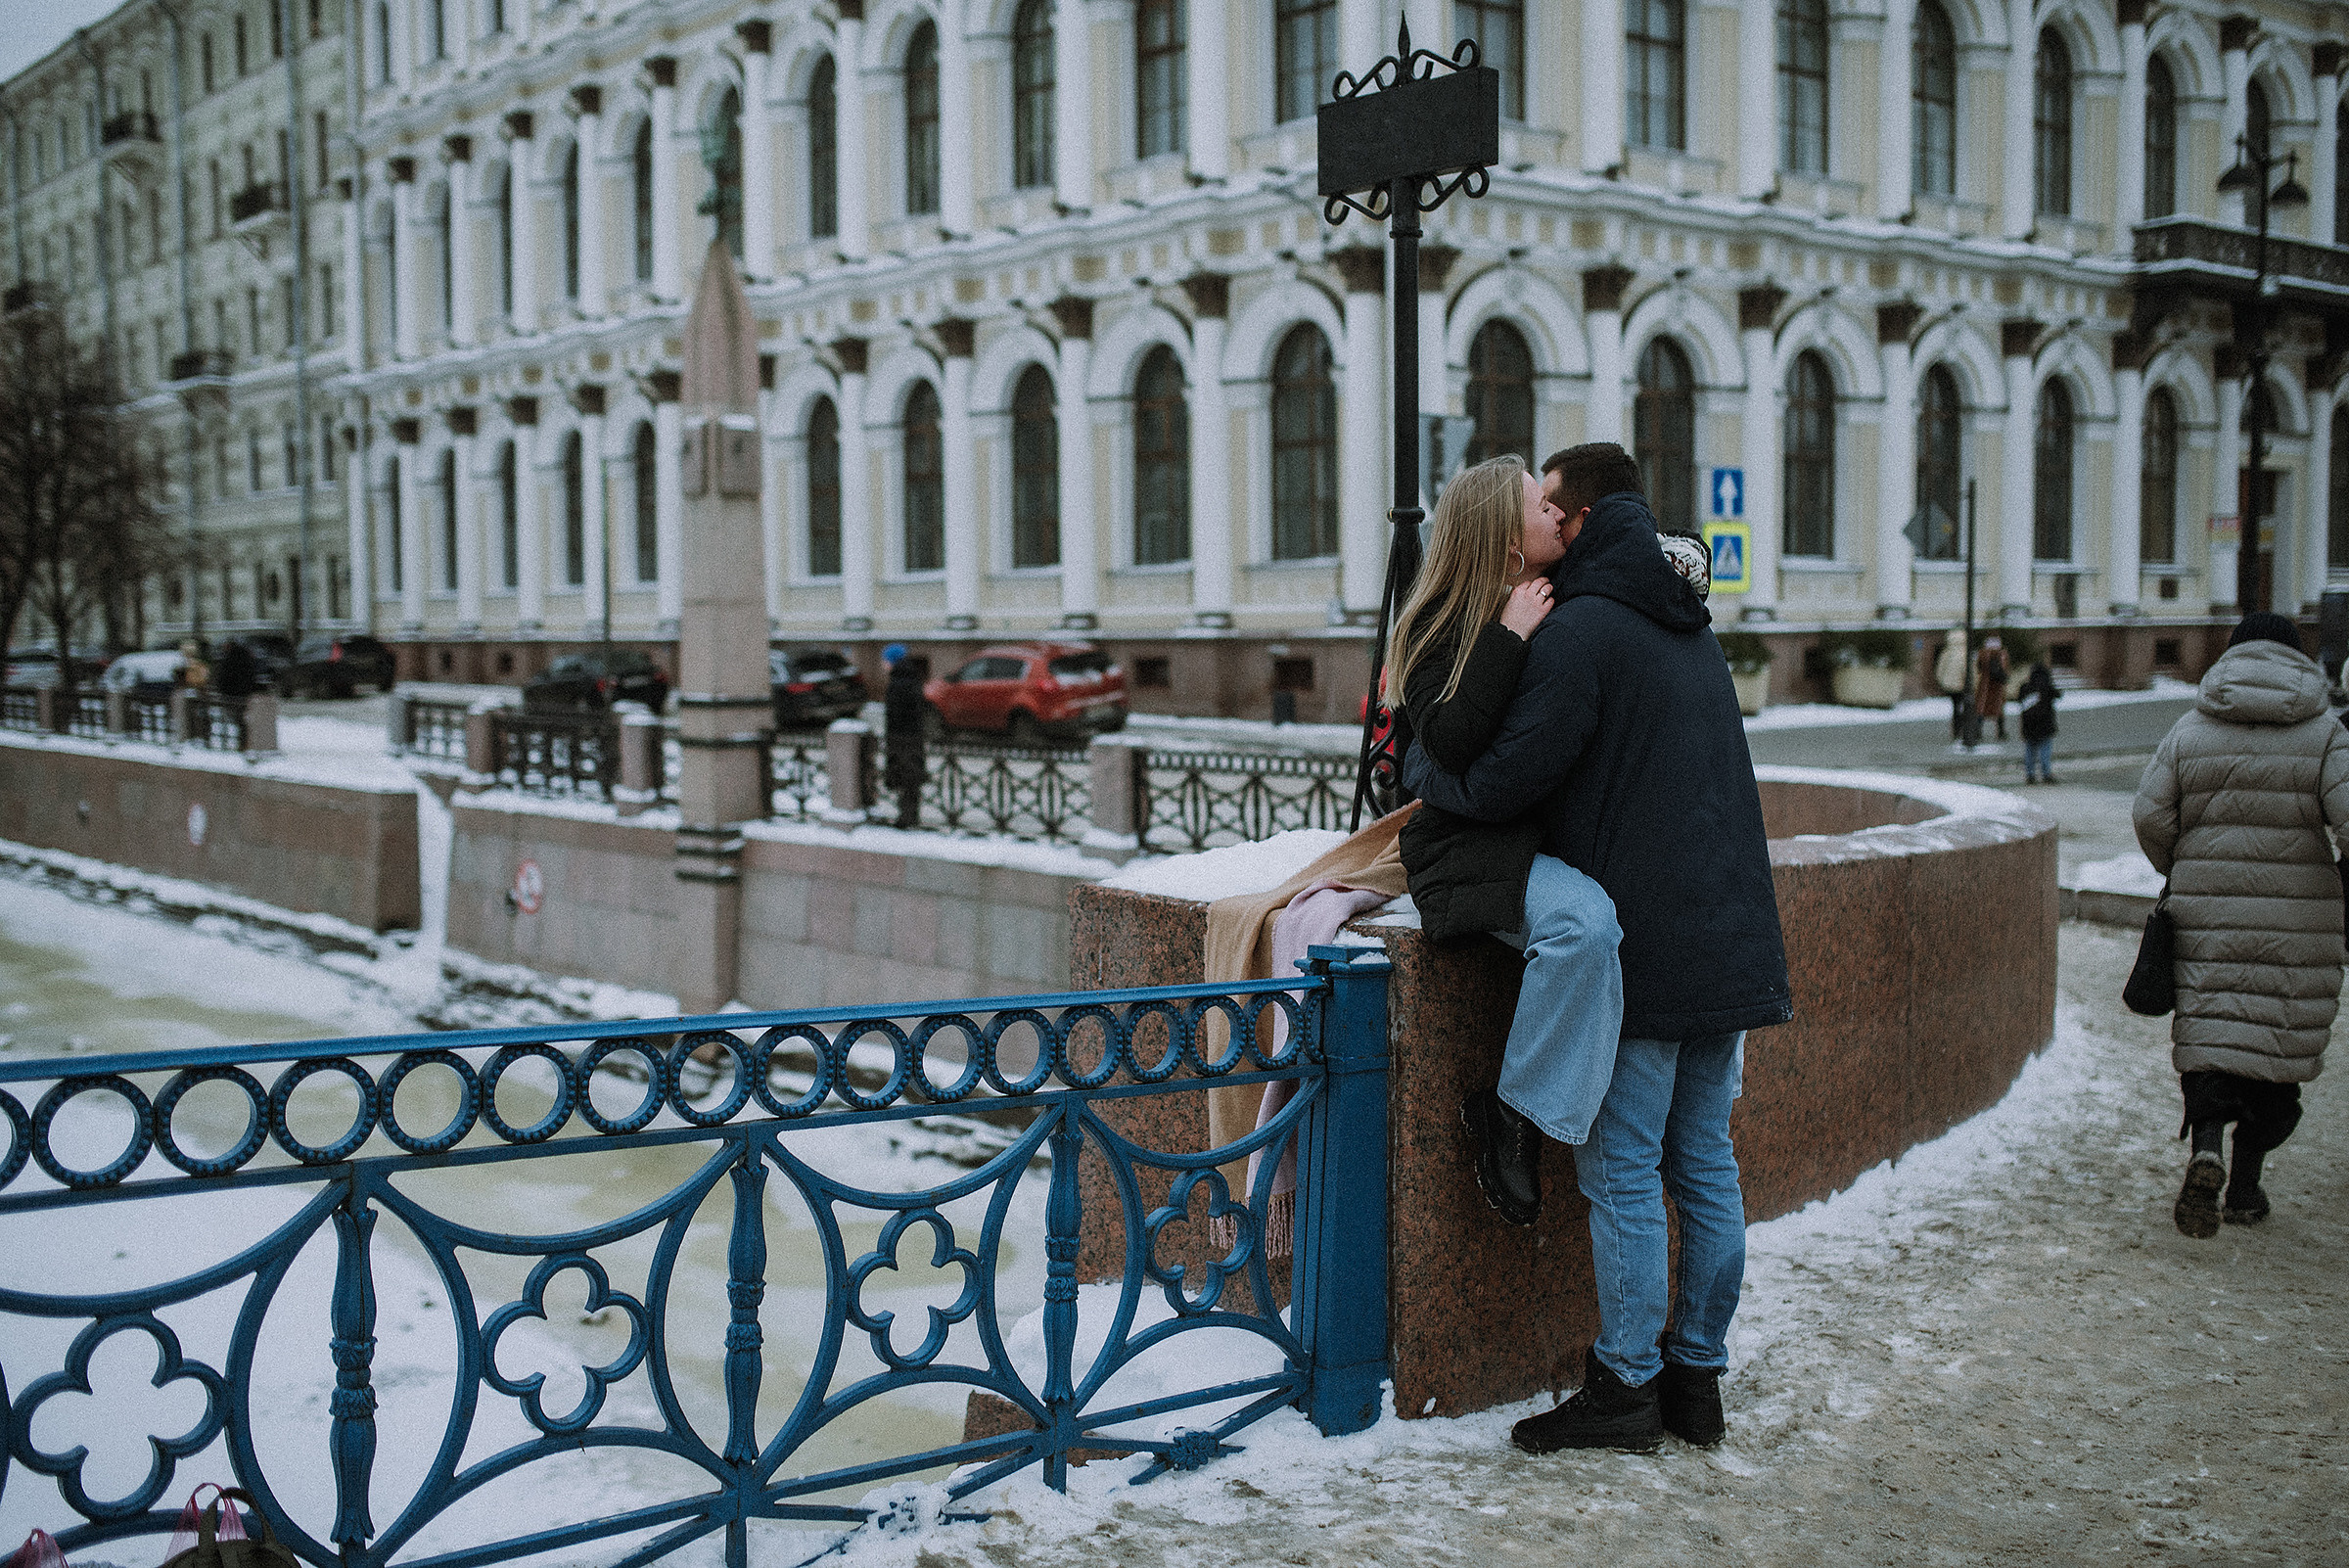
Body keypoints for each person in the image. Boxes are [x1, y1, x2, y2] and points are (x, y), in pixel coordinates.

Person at [1406, 442, 1793, 1454]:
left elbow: (1501, 781)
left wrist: (1422, 778)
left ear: (1575, 522)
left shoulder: (1580, 629)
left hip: (1651, 940)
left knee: (1623, 1170)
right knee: (1703, 1161)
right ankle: (1696, 1381)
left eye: (1549, 504)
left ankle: (1626, 1387)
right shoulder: (1685, 616)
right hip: (1731, 929)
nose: (1541, 517)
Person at [1385, 456, 1622, 1232]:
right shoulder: (1437, 627)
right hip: (1464, 850)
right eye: (1537, 504)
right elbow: (1449, 742)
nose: (1557, 511)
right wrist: (1508, 636)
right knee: (1584, 926)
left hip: (1541, 838)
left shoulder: (1569, 593)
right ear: (1503, 538)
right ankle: (1513, 1112)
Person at [2132, 612, 2349, 1238]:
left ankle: (2206, 1146)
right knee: (2273, 1049)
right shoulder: (2326, 733)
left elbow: (2150, 814)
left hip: (2206, 914)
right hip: (2299, 922)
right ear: (2297, 659)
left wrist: (2183, 866)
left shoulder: (2191, 728)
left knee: (2211, 1032)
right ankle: (2247, 1187)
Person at [881, 646, 930, 830]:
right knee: (910, 778)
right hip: (911, 737)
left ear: (892, 661)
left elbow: (898, 714)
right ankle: (910, 816)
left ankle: (906, 818)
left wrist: (894, 737)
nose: (883, 663)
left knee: (905, 777)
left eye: (885, 659)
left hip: (902, 738)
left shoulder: (899, 682)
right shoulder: (909, 677)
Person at [2018, 659, 2059, 783]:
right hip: (2045, 723)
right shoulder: (2047, 687)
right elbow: (2058, 695)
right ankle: (2046, 773)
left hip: (2029, 724)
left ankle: (2030, 774)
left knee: (2030, 750)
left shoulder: (2025, 687)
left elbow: (2020, 700)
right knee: (2045, 750)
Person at [1935, 628, 1971, 741]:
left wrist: (1942, 681)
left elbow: (1940, 669)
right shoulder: (1965, 652)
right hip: (1963, 684)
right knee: (1966, 706)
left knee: (1955, 707)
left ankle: (1956, 729)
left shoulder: (1946, 652)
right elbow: (1968, 670)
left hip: (1950, 685)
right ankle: (1963, 729)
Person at [1974, 635, 2008, 741]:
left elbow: (1978, 668)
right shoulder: (2002, 655)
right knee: (1999, 710)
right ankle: (2001, 733)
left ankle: (1978, 732)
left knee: (1981, 709)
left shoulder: (1983, 655)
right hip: (1998, 686)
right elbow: (2006, 669)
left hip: (1985, 685)